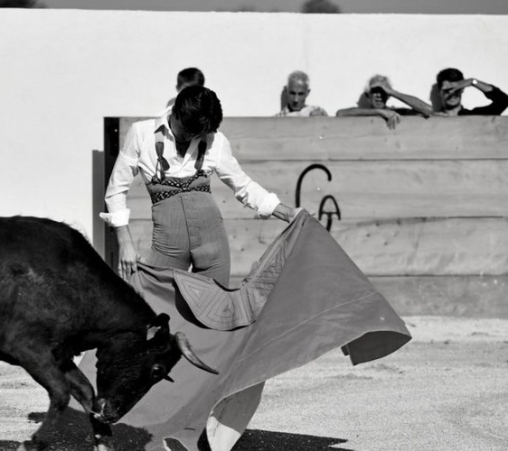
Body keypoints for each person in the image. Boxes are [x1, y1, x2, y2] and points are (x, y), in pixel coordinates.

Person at [98, 86, 299, 450]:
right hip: (164, 251)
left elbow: (242, 185)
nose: (193, 140)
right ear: (174, 114)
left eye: (201, 135)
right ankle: (138, 419)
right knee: (149, 334)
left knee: (216, 335)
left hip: (213, 248)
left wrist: (288, 213)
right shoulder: (142, 133)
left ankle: (205, 424)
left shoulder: (215, 141)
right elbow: (116, 190)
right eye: (190, 133)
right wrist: (125, 241)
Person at [336, 75, 434, 129]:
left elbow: (429, 110)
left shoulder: (397, 112)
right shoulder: (361, 112)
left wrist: (393, 92)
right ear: (367, 96)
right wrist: (380, 112)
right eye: (375, 92)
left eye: (383, 92)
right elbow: (340, 113)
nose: (379, 95)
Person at [435, 68, 508, 116]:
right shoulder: (433, 117)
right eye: (447, 90)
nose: (451, 93)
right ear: (439, 91)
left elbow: (504, 101)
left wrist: (473, 81)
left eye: (456, 89)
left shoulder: (475, 116)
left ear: (462, 89)